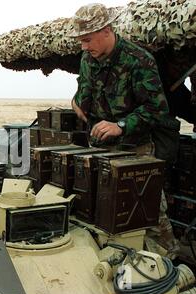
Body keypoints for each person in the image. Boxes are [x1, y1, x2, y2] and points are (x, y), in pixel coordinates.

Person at [68, 3, 180, 258]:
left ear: (106, 30)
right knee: (103, 208)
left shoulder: (139, 60)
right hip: (101, 147)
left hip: (135, 148)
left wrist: (120, 126)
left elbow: (157, 109)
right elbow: (84, 89)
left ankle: (169, 262)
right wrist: (77, 102)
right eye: (81, 41)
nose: (84, 47)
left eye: (87, 39)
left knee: (148, 210)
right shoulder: (88, 58)